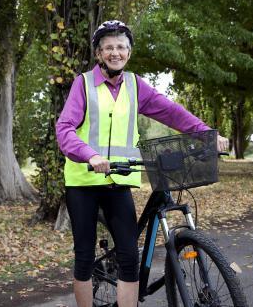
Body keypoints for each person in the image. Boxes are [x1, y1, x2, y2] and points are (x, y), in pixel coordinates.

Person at [55, 20, 229, 307]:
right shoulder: (83, 84)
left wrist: (206, 135)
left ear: (128, 52)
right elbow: (65, 129)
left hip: (120, 179)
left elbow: (171, 111)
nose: (115, 52)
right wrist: (90, 155)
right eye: (108, 47)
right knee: (84, 255)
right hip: (84, 181)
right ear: (99, 54)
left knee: (128, 256)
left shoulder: (135, 85)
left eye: (121, 47)